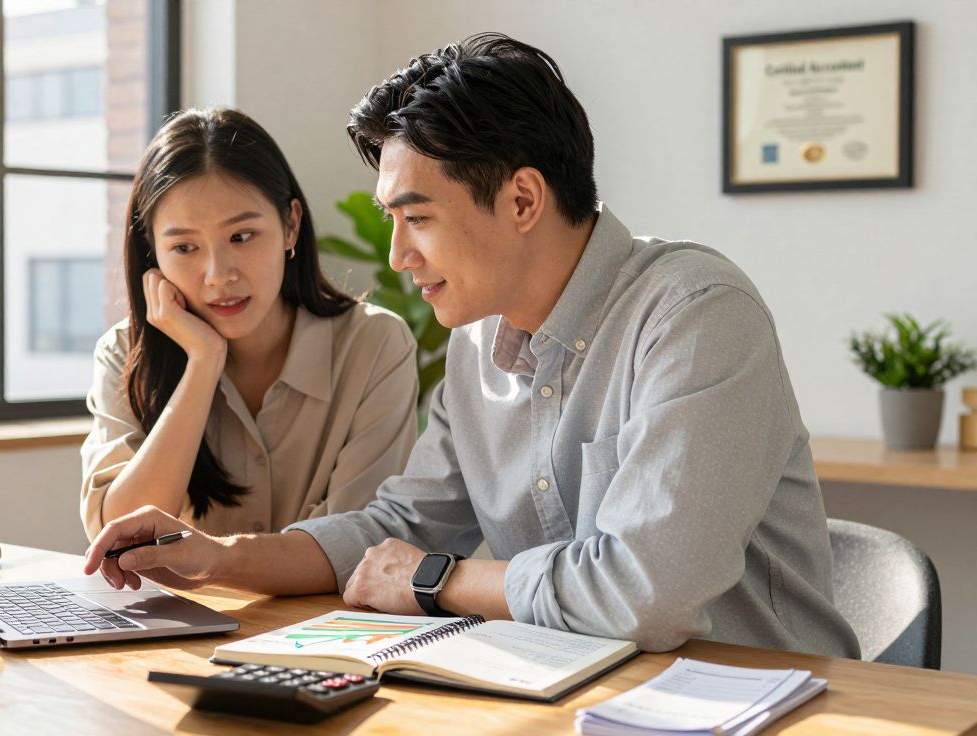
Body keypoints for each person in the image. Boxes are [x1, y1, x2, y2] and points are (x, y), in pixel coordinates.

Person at [82, 35, 860, 658]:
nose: (395, 256)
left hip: (758, 706)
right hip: (578, 693)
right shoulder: (476, 338)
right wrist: (221, 559)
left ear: (523, 198)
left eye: (416, 218)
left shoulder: (694, 314)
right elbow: (400, 526)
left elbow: (642, 594)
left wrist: (437, 580)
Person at [79, 107, 419, 540]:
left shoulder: (374, 345)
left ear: (290, 225)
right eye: (184, 247)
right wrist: (203, 364)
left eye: (241, 237)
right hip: (177, 611)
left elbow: (359, 543)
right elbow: (118, 537)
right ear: (152, 253)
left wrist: (220, 562)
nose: (218, 274)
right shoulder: (125, 353)